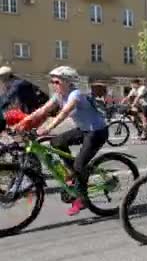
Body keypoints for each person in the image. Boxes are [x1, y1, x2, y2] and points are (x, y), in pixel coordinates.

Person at [15, 66, 108, 216]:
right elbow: (42, 110)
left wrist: (48, 128)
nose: (53, 84)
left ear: (67, 81)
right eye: (52, 81)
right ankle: (73, 173)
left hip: (97, 131)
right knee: (56, 142)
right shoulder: (58, 95)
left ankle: (82, 198)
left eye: (56, 81)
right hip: (84, 129)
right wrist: (22, 123)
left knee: (79, 164)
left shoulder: (75, 94)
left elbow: (64, 113)